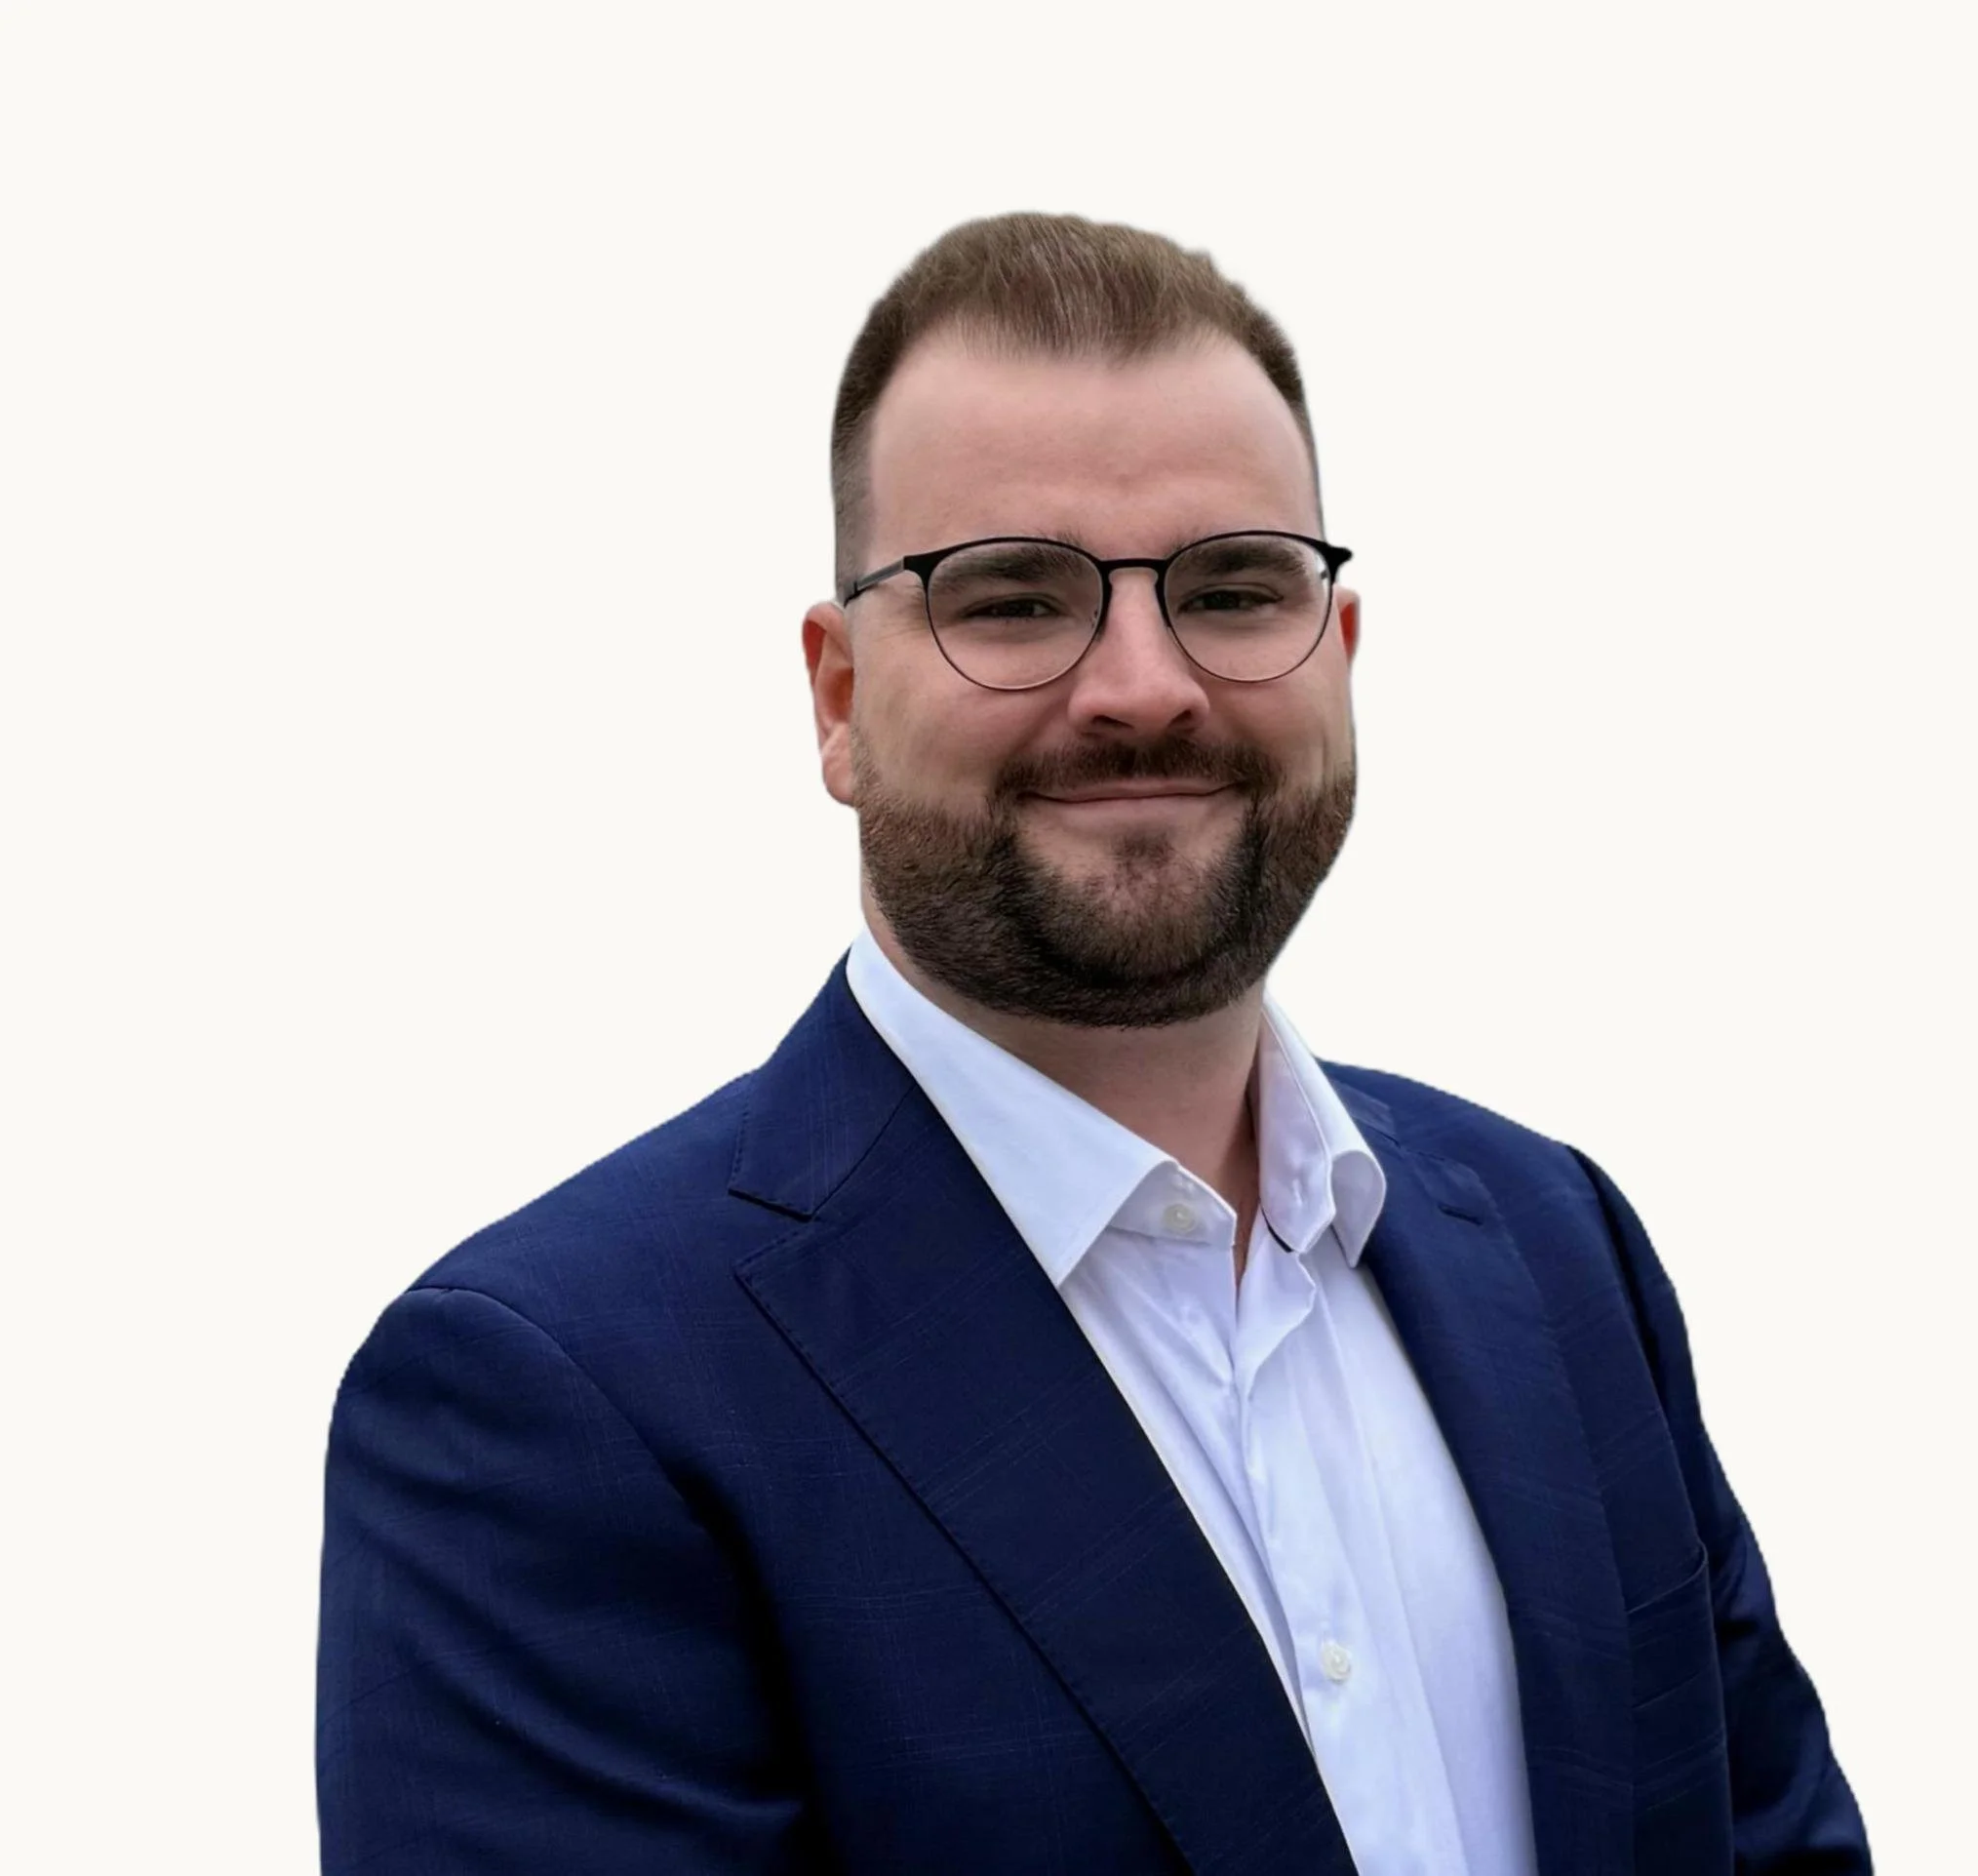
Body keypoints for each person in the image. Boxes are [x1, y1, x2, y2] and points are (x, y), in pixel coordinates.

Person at [317, 213, 1870, 1875]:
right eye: (1010, 597)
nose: (1144, 685)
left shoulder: (1558, 1253)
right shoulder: (559, 1398)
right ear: (837, 700)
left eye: (1233, 588)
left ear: (1339, 653)